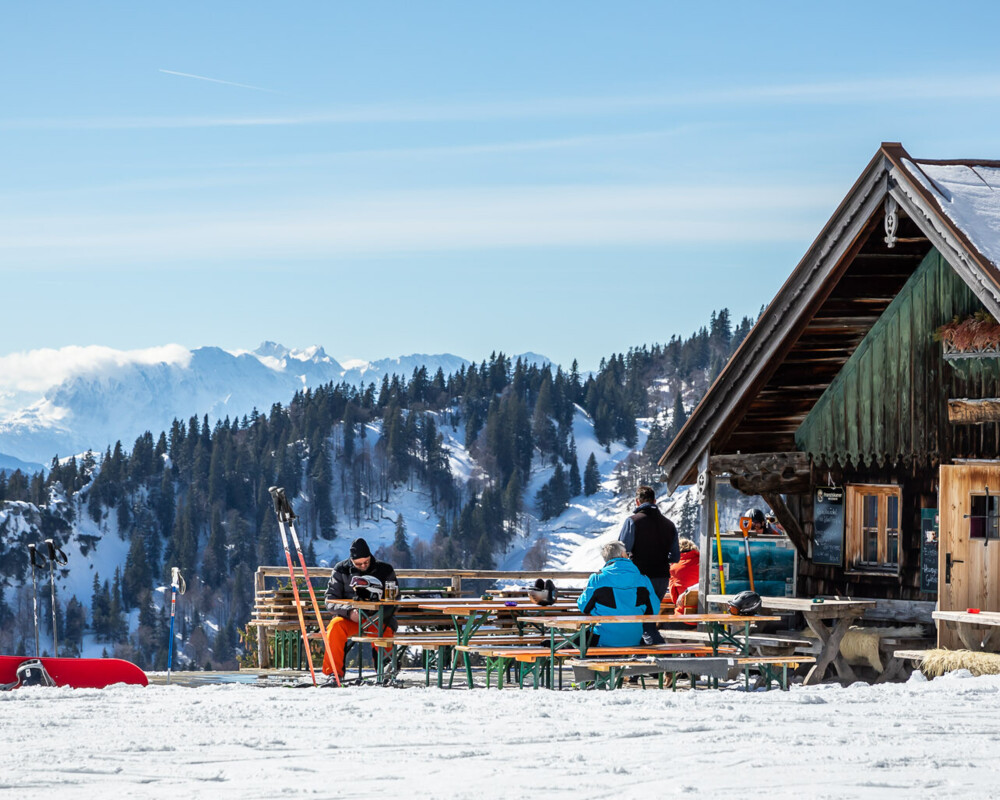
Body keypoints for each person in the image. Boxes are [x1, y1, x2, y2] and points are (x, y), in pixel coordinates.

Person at [322, 537, 398, 681]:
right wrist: (349, 612)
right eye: (359, 564)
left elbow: (396, 597)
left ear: (370, 556)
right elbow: (330, 600)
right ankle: (334, 673)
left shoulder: (385, 569)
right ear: (351, 561)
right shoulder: (341, 569)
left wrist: (381, 608)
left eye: (366, 562)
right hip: (350, 619)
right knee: (335, 627)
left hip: (378, 618)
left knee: (386, 629)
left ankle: (386, 670)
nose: (363, 566)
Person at [618, 485, 679, 643]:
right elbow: (675, 557)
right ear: (655, 500)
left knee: (639, 618)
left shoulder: (632, 521)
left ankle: (647, 654)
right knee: (650, 617)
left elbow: (621, 551)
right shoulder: (669, 525)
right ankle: (655, 654)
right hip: (661, 577)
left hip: (640, 577)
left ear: (637, 502)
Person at [576, 541, 657, 648]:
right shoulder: (643, 580)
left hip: (603, 639)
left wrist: (584, 593)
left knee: (575, 643)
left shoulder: (597, 579)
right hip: (634, 638)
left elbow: (584, 607)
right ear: (623, 555)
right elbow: (654, 610)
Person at [668, 538, 700, 614]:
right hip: (704, 615)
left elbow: (674, 598)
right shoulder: (702, 561)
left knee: (660, 624)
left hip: (684, 616)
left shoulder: (674, 567)